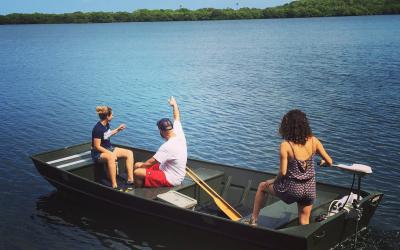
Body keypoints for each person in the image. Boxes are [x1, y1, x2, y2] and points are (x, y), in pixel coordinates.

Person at [247, 109, 333, 226]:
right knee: (304, 220)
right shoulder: (314, 141)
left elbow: (283, 172)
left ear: (287, 127)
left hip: (292, 190)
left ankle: (253, 220)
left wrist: (272, 181)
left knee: (262, 186)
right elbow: (330, 162)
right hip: (309, 189)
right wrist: (323, 162)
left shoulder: (286, 146)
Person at [133, 97, 187, 188]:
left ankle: (138, 192)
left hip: (171, 178)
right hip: (166, 168)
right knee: (137, 164)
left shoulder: (168, 146)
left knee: (137, 172)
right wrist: (174, 105)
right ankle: (142, 182)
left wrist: (141, 168)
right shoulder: (178, 132)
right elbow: (177, 117)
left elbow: (150, 163)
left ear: (161, 131)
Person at [91, 106, 134, 190]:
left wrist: (118, 129)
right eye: (112, 115)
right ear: (107, 116)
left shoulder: (106, 124)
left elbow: (108, 134)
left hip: (108, 149)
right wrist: (109, 153)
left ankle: (130, 179)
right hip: (98, 153)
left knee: (129, 153)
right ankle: (114, 185)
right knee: (111, 157)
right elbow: (96, 146)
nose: (113, 116)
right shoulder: (97, 129)